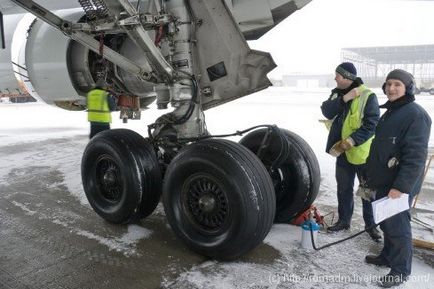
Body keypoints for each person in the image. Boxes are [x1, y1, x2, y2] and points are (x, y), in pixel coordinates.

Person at [364, 69, 431, 288]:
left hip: (397, 185)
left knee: (398, 227)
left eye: (397, 85)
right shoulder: (391, 112)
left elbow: (415, 157)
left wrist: (401, 187)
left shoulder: (415, 115)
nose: (391, 88)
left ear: (408, 88)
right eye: (388, 84)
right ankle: (387, 256)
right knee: (386, 223)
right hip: (382, 180)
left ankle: (400, 270)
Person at [321, 62, 381, 241]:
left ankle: (371, 226)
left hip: (363, 154)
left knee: (367, 191)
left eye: (338, 76)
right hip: (343, 152)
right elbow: (326, 110)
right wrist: (344, 99)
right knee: (344, 188)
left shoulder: (367, 96)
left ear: (347, 78)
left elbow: (372, 124)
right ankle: (344, 221)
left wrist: (353, 140)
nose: (335, 78)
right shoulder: (338, 93)